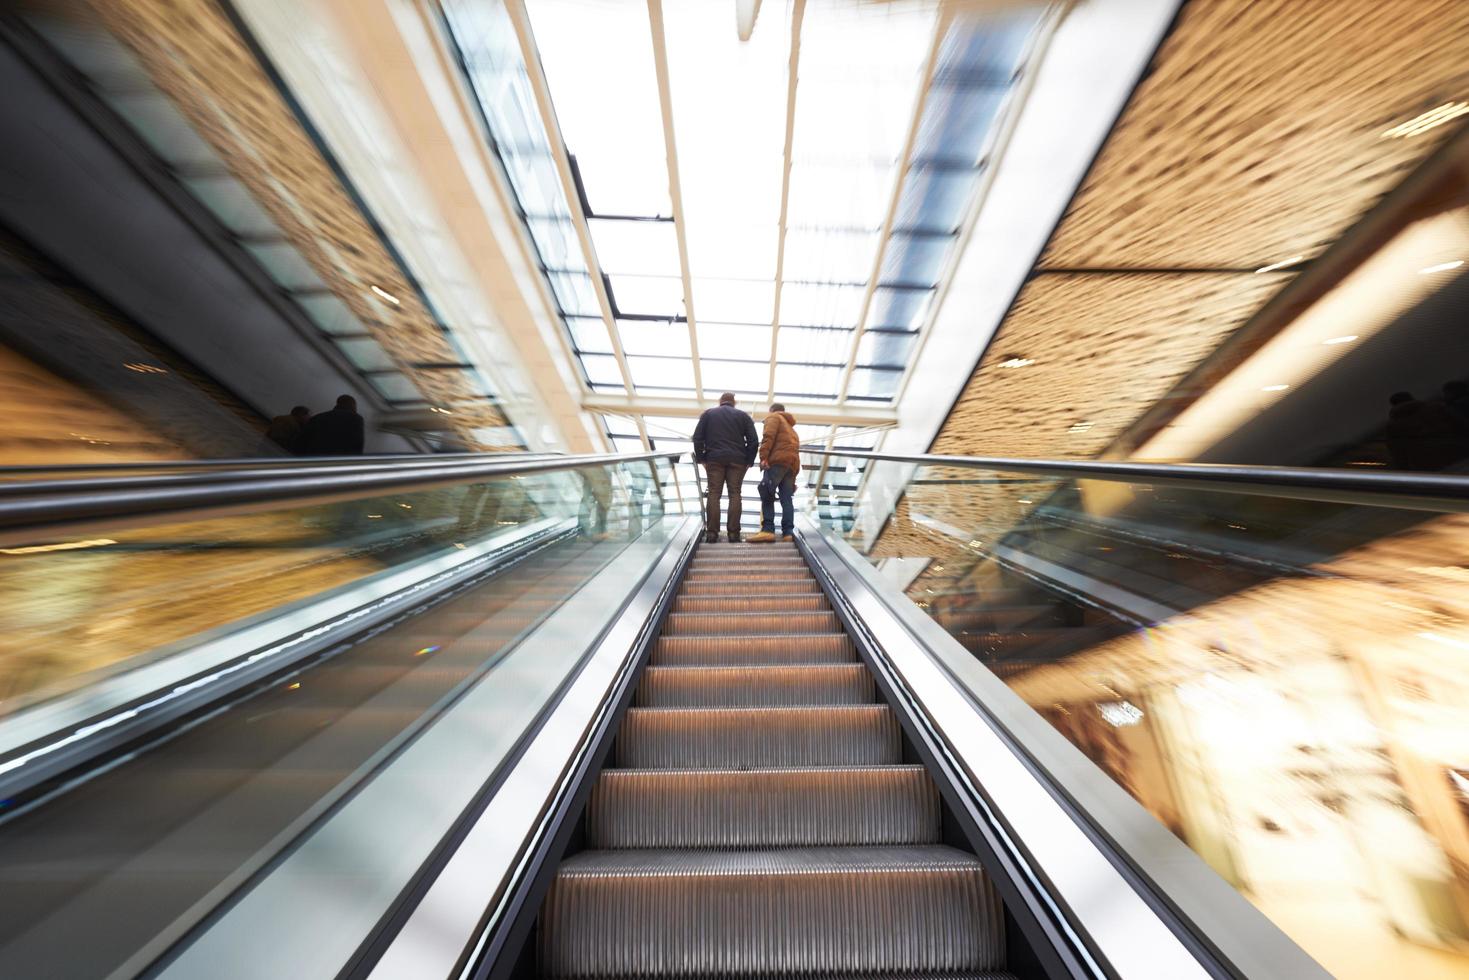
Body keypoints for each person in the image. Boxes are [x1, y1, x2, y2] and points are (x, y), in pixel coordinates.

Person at [691, 391, 757, 543]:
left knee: (714, 493)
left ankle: (712, 534)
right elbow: (753, 440)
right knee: (735, 494)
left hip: (714, 459)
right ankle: (733, 534)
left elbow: (697, 438)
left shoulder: (708, 414)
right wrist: (749, 461)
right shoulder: (743, 416)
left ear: (720, 401)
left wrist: (702, 459)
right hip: (738, 460)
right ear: (734, 402)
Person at [749, 403, 800, 543]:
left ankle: (767, 530)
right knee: (787, 500)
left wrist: (763, 457)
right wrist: (794, 477)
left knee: (766, 494)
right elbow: (796, 452)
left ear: (771, 410)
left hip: (776, 462)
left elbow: (768, 436)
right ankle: (788, 533)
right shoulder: (791, 429)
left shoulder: (773, 417)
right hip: (790, 466)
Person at [1385, 391, 1465, 470]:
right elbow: (1461, 425)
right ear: (1412, 398)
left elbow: (1398, 454)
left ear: (1393, 405)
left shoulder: (1393, 427)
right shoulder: (1438, 408)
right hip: (1458, 455)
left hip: (1428, 466)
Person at [300, 394, 365, 455]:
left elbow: (301, 442)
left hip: (315, 459)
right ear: (353, 406)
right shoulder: (356, 419)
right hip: (339, 462)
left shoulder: (317, 418)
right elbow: (357, 446)